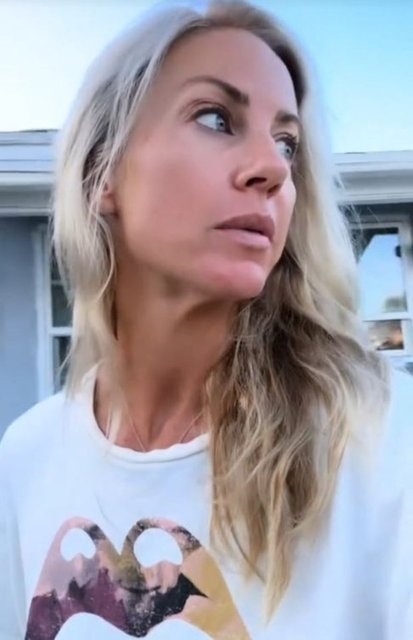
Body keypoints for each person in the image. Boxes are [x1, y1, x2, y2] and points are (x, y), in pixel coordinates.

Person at [0, 0, 412, 638]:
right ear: (102, 174)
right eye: (216, 118)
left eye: (287, 143)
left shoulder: (382, 441)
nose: (273, 168)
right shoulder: (26, 459)